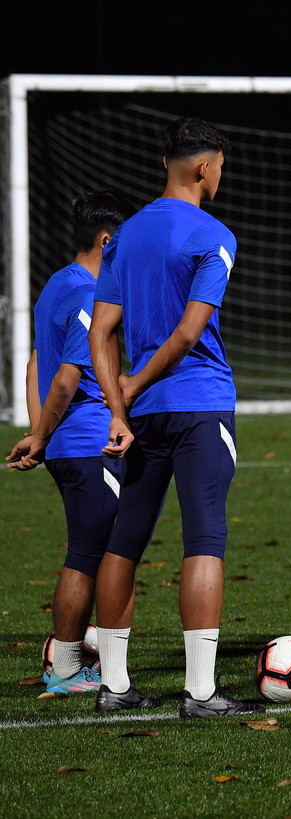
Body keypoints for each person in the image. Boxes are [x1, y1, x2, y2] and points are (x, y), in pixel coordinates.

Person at [88, 117, 263, 717]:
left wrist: (119, 405)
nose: (221, 176)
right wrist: (133, 383)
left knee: (124, 542)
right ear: (204, 167)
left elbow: (103, 333)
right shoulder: (212, 235)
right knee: (205, 538)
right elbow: (190, 331)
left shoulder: (125, 236)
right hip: (199, 405)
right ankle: (201, 692)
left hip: (142, 415)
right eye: (221, 166)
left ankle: (113, 687)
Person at [7, 191, 134, 694]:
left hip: (67, 444)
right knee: (94, 554)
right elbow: (63, 376)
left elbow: (35, 364)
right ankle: (65, 666)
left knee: (96, 551)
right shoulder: (87, 293)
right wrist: (42, 435)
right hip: (87, 444)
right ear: (106, 241)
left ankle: (85, 649)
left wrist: (41, 435)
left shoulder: (55, 286)